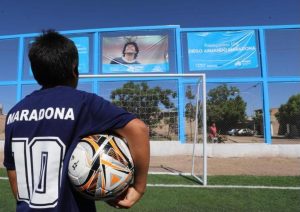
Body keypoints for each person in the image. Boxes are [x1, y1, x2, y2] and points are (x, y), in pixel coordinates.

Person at [3, 30, 150, 211]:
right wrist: (139, 188)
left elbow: (13, 170)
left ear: (35, 73)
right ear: (74, 69)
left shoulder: (15, 113)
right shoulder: (83, 103)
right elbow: (139, 129)